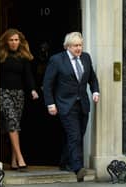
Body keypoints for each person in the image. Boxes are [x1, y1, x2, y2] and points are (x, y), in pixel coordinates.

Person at [42, 31, 100, 182]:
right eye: (75, 45)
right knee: (74, 135)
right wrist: (50, 104)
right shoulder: (57, 60)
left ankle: (64, 161)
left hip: (83, 104)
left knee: (78, 134)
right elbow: (47, 84)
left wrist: (95, 91)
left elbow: (92, 78)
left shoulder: (86, 58)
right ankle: (78, 168)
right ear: (67, 46)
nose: (79, 48)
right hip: (65, 105)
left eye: (80, 45)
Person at [0, 28, 39, 171]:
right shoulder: (1, 56)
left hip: (19, 94)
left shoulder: (23, 56)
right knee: (12, 123)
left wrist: (33, 90)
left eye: (16, 40)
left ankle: (13, 161)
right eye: (11, 40)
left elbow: (28, 75)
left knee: (15, 125)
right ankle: (21, 159)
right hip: (4, 93)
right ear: (6, 41)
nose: (14, 43)